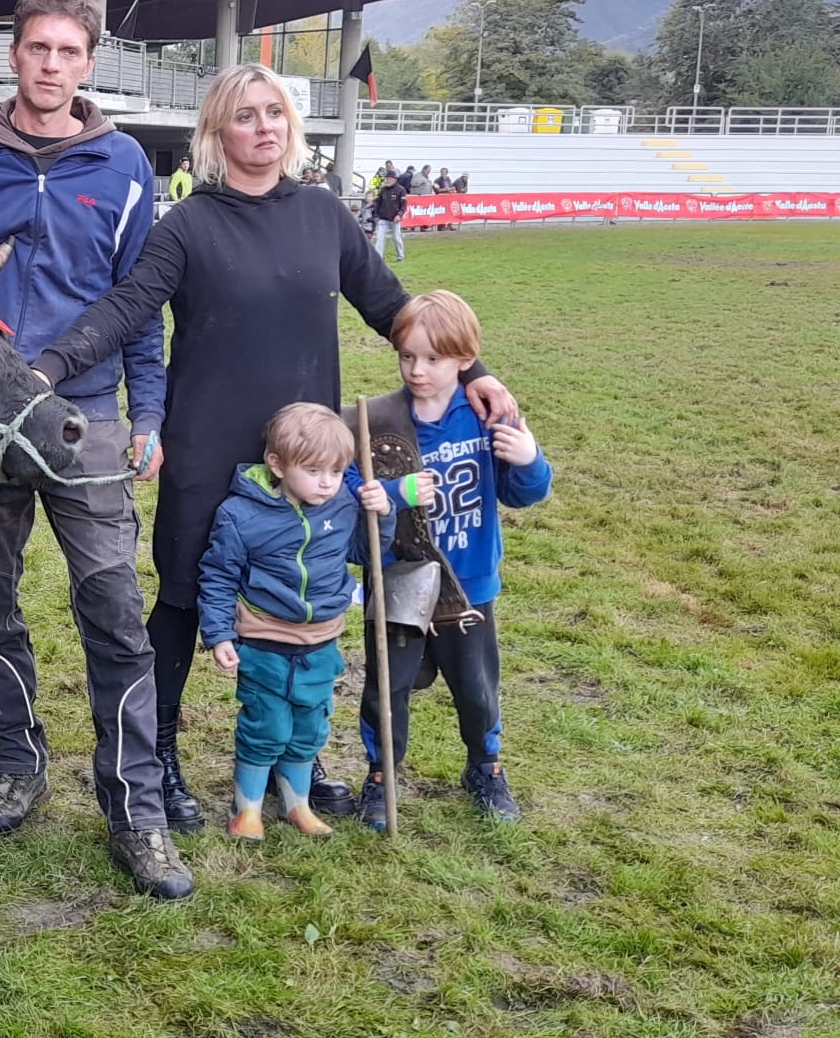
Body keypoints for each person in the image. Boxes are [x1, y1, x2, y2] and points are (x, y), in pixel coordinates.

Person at [31, 63, 517, 836]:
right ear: (218, 132)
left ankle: (301, 757)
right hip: (208, 449)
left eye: (275, 114)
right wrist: (47, 368)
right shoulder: (188, 225)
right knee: (187, 600)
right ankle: (158, 761)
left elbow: (393, 307)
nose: (264, 127)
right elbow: (127, 308)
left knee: (314, 597)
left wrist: (479, 374)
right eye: (245, 116)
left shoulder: (324, 214)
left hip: (311, 457)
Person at [0, 0, 191, 902]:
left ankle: (135, 812)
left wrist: (147, 414)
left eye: (70, 53)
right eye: (39, 49)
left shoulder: (124, 170)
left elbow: (139, 305)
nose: (53, 66)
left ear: (88, 63)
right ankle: (17, 762)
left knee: (112, 605)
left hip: (87, 420)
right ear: (14, 55)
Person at [356, 291, 552, 827]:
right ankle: (381, 775)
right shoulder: (378, 420)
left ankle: (485, 767)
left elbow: (524, 493)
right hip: (398, 580)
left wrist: (529, 460)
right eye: (407, 357)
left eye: (434, 359)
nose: (418, 370)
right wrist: (394, 494)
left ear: (466, 360)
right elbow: (355, 487)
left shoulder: (489, 414)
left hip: (470, 585)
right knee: (387, 687)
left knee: (477, 687)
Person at [198, 403, 394, 842]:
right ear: (277, 465)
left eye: (337, 471)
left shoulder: (343, 503)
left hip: (321, 641)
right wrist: (218, 634)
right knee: (266, 726)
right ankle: (245, 810)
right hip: (265, 641)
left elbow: (367, 554)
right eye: (313, 471)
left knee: (310, 727)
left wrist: (382, 515)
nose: (327, 482)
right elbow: (218, 575)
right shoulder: (241, 515)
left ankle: (297, 804)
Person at [372, 172, 408, 262]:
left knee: (396, 238)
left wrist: (399, 215)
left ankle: (400, 256)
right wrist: (376, 214)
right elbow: (378, 202)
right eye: (386, 178)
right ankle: (378, 258)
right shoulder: (383, 189)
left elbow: (403, 205)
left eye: (389, 178)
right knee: (379, 238)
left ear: (394, 179)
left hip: (394, 219)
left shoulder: (401, 190)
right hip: (383, 218)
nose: (387, 180)